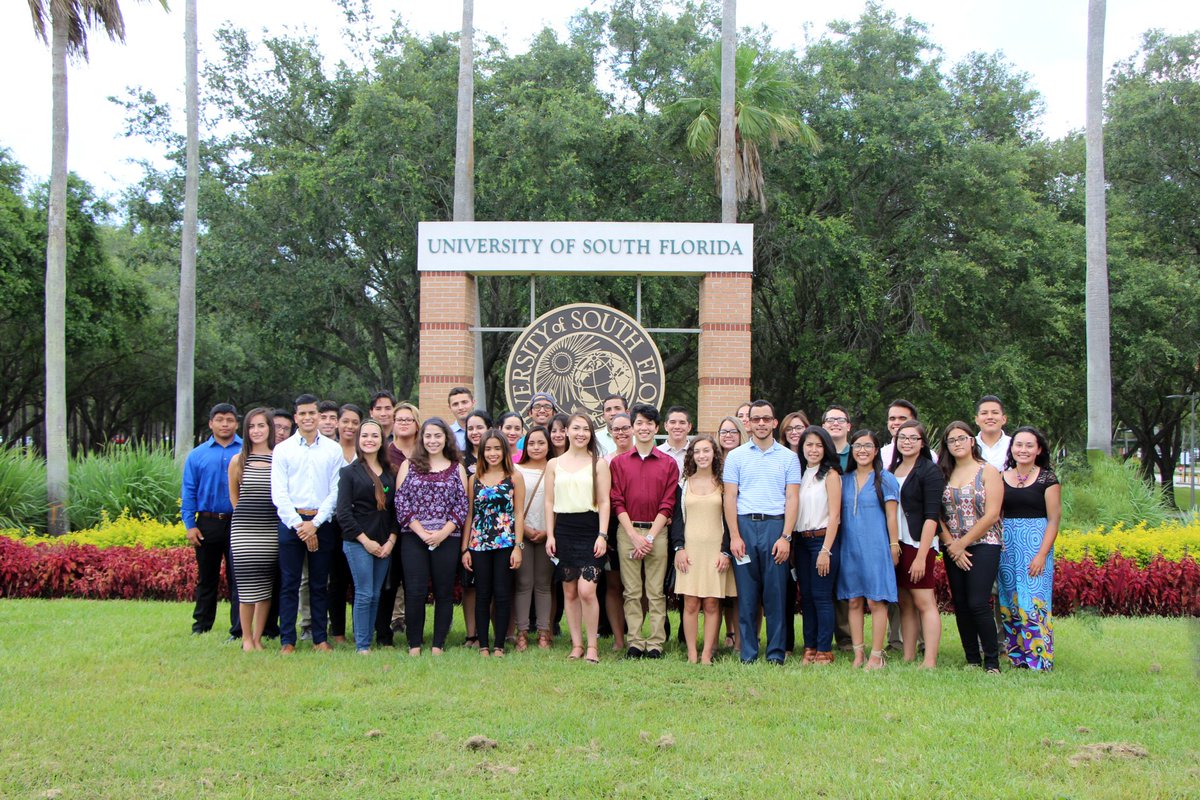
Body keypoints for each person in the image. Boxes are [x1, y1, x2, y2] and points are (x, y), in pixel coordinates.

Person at [723, 400, 800, 665]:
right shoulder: (736, 456)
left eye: (766, 419)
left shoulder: (789, 458)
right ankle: (748, 653)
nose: (761, 424)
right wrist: (734, 535)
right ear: (749, 423)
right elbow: (730, 497)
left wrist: (786, 536)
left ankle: (776, 654)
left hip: (775, 527)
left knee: (776, 595)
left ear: (774, 422)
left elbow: (792, 498)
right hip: (744, 526)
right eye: (756, 419)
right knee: (747, 595)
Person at [271, 393, 344, 653]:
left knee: (318, 583)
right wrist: (299, 525)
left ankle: (319, 639)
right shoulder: (283, 449)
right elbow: (278, 493)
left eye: (312, 413)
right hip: (291, 522)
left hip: (322, 522)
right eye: (302, 414)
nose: (308, 418)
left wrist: (316, 523)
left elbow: (336, 490)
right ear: (295, 418)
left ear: (319, 416)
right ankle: (287, 640)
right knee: (290, 583)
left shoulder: (333, 449)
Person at [609, 405, 679, 659]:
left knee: (655, 591)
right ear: (632, 427)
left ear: (657, 428)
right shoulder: (618, 463)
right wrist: (634, 536)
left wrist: (648, 537)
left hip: (657, 533)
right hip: (627, 531)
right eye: (639, 423)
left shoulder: (668, 464)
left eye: (649, 423)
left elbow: (668, 503)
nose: (644, 427)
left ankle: (656, 641)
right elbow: (617, 501)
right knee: (631, 591)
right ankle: (635, 641)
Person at [396, 418, 469, 656]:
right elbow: (400, 501)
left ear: (446, 438)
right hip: (414, 537)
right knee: (415, 591)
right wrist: (421, 532)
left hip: (447, 537)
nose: (433, 441)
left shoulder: (456, 467)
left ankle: (438, 644)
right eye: (428, 436)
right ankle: (414, 643)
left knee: (443, 591)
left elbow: (462, 505)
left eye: (438, 436)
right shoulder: (409, 465)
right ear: (422, 439)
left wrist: (442, 533)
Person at [545, 413, 611, 663]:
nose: (581, 433)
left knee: (586, 590)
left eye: (586, 429)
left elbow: (605, 501)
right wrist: (550, 535)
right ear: (567, 432)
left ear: (591, 434)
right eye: (576, 428)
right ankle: (577, 644)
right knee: (570, 591)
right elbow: (549, 502)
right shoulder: (554, 464)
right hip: (564, 530)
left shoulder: (599, 463)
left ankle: (593, 645)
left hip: (591, 528)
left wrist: (602, 534)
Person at [938, 421, 1004, 673]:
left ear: (971, 441)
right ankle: (972, 659)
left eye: (961, 438)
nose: (957, 443)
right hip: (952, 546)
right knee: (962, 603)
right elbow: (936, 513)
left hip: (984, 544)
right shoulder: (942, 472)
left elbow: (992, 515)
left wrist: (963, 544)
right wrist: (951, 544)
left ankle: (992, 661)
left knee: (978, 602)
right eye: (952, 440)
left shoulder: (988, 471)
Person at [999, 426, 1060, 671]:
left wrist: (1042, 554)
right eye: (1018, 445)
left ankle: (1040, 658)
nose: (1023, 450)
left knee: (1034, 600)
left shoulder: (1048, 479)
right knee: (1010, 599)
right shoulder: (1001, 476)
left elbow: (1054, 520)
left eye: (1029, 445)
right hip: (1006, 546)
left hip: (1036, 545)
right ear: (1011, 449)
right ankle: (1018, 656)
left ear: (1039, 450)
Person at [837, 430, 900, 670]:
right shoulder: (844, 479)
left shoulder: (885, 479)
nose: (862, 450)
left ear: (876, 450)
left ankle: (876, 654)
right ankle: (858, 654)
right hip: (849, 548)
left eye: (867, 446)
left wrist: (893, 545)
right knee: (853, 601)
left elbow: (892, 517)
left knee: (876, 601)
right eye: (857, 446)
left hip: (876, 547)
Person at [669, 435, 734, 664]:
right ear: (691, 456)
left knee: (712, 603)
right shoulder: (684, 484)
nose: (702, 456)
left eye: (706, 451)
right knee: (691, 603)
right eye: (697, 452)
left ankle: (707, 654)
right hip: (691, 551)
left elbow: (730, 520)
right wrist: (679, 548)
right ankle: (692, 654)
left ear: (714, 454)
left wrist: (726, 551)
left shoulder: (724, 483)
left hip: (715, 550)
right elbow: (676, 519)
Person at [336, 419, 399, 655]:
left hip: (385, 544)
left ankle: (368, 639)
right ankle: (362, 645)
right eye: (365, 436)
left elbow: (395, 511)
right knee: (364, 592)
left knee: (375, 593)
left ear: (382, 440)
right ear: (358, 440)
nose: (369, 440)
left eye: (374, 435)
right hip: (358, 542)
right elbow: (343, 513)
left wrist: (391, 541)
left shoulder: (391, 472)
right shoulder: (349, 472)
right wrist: (366, 541)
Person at [463, 429, 526, 657]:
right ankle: (483, 645)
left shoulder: (514, 477)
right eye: (488, 449)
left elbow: (519, 513)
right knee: (482, 593)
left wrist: (518, 547)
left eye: (497, 448)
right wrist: (465, 548)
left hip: (505, 542)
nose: (492, 453)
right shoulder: (474, 479)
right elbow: (470, 515)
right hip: (479, 544)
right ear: (482, 451)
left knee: (501, 593)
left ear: (504, 450)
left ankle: (499, 644)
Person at [181, 403, 242, 638]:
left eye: (229, 419)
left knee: (238, 578)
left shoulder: (246, 451)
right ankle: (201, 626)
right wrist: (190, 525)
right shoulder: (198, 455)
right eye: (219, 419)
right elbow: (189, 491)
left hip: (238, 521)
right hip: (208, 523)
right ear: (210, 423)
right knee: (207, 578)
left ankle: (238, 629)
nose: (224, 424)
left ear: (236, 423)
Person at [889, 419, 944, 668]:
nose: (907, 442)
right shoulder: (893, 469)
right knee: (905, 603)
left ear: (922, 443)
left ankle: (929, 659)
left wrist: (922, 555)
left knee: (924, 602)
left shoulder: (929, 471)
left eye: (913, 438)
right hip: (896, 544)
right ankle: (908, 656)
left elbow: (933, 516)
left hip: (917, 543)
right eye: (903, 438)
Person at [793, 426, 842, 665]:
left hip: (823, 541)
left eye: (818, 445)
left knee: (822, 596)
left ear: (826, 448)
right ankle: (810, 647)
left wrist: (826, 550)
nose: (813, 450)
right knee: (808, 597)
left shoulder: (830, 474)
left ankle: (824, 649)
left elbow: (835, 516)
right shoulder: (799, 473)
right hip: (802, 542)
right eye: (809, 445)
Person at [228, 407, 276, 651]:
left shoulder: (279, 457)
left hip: (270, 530)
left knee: (265, 586)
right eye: (252, 426)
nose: (257, 431)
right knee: (246, 586)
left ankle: (258, 638)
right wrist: (247, 518)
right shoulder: (239, 460)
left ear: (270, 428)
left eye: (261, 426)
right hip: (244, 530)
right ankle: (246, 638)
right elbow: (235, 497)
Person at [379, 401, 420, 645]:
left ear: (417, 424)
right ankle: (384, 633)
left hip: (420, 528)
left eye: (409, 419)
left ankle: (415, 630)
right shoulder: (384, 452)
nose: (403, 423)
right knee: (389, 582)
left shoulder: (427, 451)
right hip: (389, 526)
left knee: (416, 584)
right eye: (399, 419)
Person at [514, 425, 554, 650]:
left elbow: (559, 505)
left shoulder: (556, 468)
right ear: (525, 446)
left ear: (549, 445)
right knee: (523, 583)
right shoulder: (516, 469)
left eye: (541, 443)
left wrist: (549, 531)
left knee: (543, 584)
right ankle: (521, 633)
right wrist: (526, 530)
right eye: (531, 443)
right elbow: (512, 505)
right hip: (523, 534)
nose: (536, 447)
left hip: (548, 535)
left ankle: (543, 632)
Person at [328, 403, 363, 645]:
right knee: (337, 580)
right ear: (337, 423)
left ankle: (362, 630)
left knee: (360, 581)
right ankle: (338, 632)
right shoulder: (328, 451)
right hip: (332, 525)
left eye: (354, 422)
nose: (350, 426)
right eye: (346, 421)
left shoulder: (367, 451)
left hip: (361, 526)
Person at [778, 410, 811, 656]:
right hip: (785, 532)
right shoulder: (781, 459)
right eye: (790, 429)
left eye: (799, 427)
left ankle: (814, 642)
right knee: (786, 591)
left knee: (812, 591)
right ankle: (786, 644)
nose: (795, 432)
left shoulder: (814, 461)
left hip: (810, 533)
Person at [601, 411, 633, 650]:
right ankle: (619, 639)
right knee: (614, 584)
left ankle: (637, 635)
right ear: (610, 433)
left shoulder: (644, 457)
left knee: (637, 585)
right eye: (616, 429)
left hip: (641, 526)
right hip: (612, 526)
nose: (621, 432)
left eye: (625, 428)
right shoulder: (606, 461)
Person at [715, 414, 746, 651]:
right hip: (715, 531)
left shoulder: (747, 460)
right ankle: (727, 633)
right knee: (720, 589)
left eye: (732, 432)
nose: (728, 436)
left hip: (740, 531)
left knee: (738, 589)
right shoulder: (712, 463)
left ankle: (739, 638)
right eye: (723, 432)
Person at [975, 395, 1012, 472]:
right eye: (984, 413)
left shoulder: (1014, 445)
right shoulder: (969, 445)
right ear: (977, 420)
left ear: (1004, 419)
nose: (990, 417)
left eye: (995, 413)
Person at [657, 406, 692, 470]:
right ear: (666, 426)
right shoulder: (656, 453)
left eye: (682, 422)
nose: (677, 426)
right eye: (673, 422)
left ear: (689, 427)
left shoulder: (696, 453)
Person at [822, 405, 853, 472]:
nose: (835, 423)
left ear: (848, 426)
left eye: (841, 420)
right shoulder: (816, 454)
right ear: (823, 427)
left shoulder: (856, 454)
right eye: (830, 420)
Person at [462, 409, 494, 474]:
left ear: (489, 429)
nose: (474, 432)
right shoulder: (460, 458)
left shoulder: (498, 456)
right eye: (470, 429)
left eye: (479, 428)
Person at [447, 386, 474, 452]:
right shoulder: (447, 434)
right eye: (455, 404)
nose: (460, 407)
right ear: (450, 407)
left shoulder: (485, 431)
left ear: (473, 403)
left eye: (464, 402)